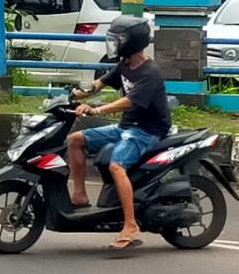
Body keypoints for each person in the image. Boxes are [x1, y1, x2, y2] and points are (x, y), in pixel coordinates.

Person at [67, 15, 171, 250]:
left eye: (118, 40)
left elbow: (128, 102)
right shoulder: (125, 64)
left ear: (130, 42)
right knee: (74, 140)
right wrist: (76, 94)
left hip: (146, 131)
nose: (113, 45)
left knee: (116, 166)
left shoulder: (150, 72)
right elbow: (100, 83)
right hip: (126, 127)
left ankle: (130, 225)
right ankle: (79, 195)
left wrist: (96, 109)